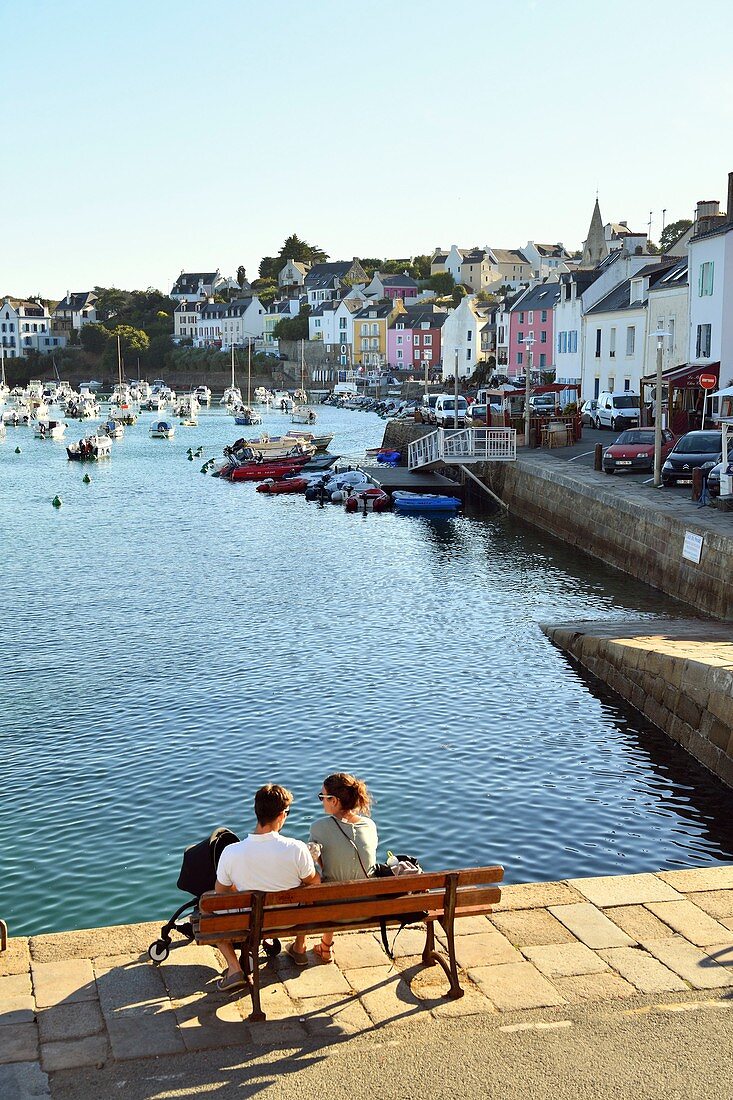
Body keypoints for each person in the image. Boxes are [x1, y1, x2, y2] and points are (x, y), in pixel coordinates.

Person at [214, 784, 319, 992]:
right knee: (306, 895)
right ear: (281, 815)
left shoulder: (231, 852)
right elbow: (314, 884)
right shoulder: (296, 848)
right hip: (290, 920)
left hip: (249, 922)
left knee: (209, 910)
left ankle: (234, 969)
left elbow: (220, 892)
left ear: (257, 812)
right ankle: (299, 948)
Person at [291, 773, 377, 965]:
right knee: (340, 879)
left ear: (334, 801)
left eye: (322, 797)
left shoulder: (319, 827)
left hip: (332, 911)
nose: (321, 801)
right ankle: (325, 948)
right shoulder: (370, 825)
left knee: (310, 883)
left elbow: (325, 868)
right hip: (367, 907)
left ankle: (299, 947)